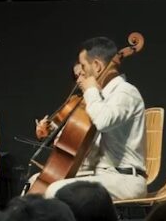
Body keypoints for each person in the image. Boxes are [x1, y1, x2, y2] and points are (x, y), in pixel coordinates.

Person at [32, 37, 147, 200]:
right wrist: (55, 134)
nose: (82, 74)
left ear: (97, 66)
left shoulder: (125, 92)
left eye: (84, 67)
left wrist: (91, 90)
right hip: (101, 175)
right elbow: (82, 141)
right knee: (34, 183)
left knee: (54, 191)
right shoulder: (100, 97)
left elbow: (103, 121)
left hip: (125, 179)